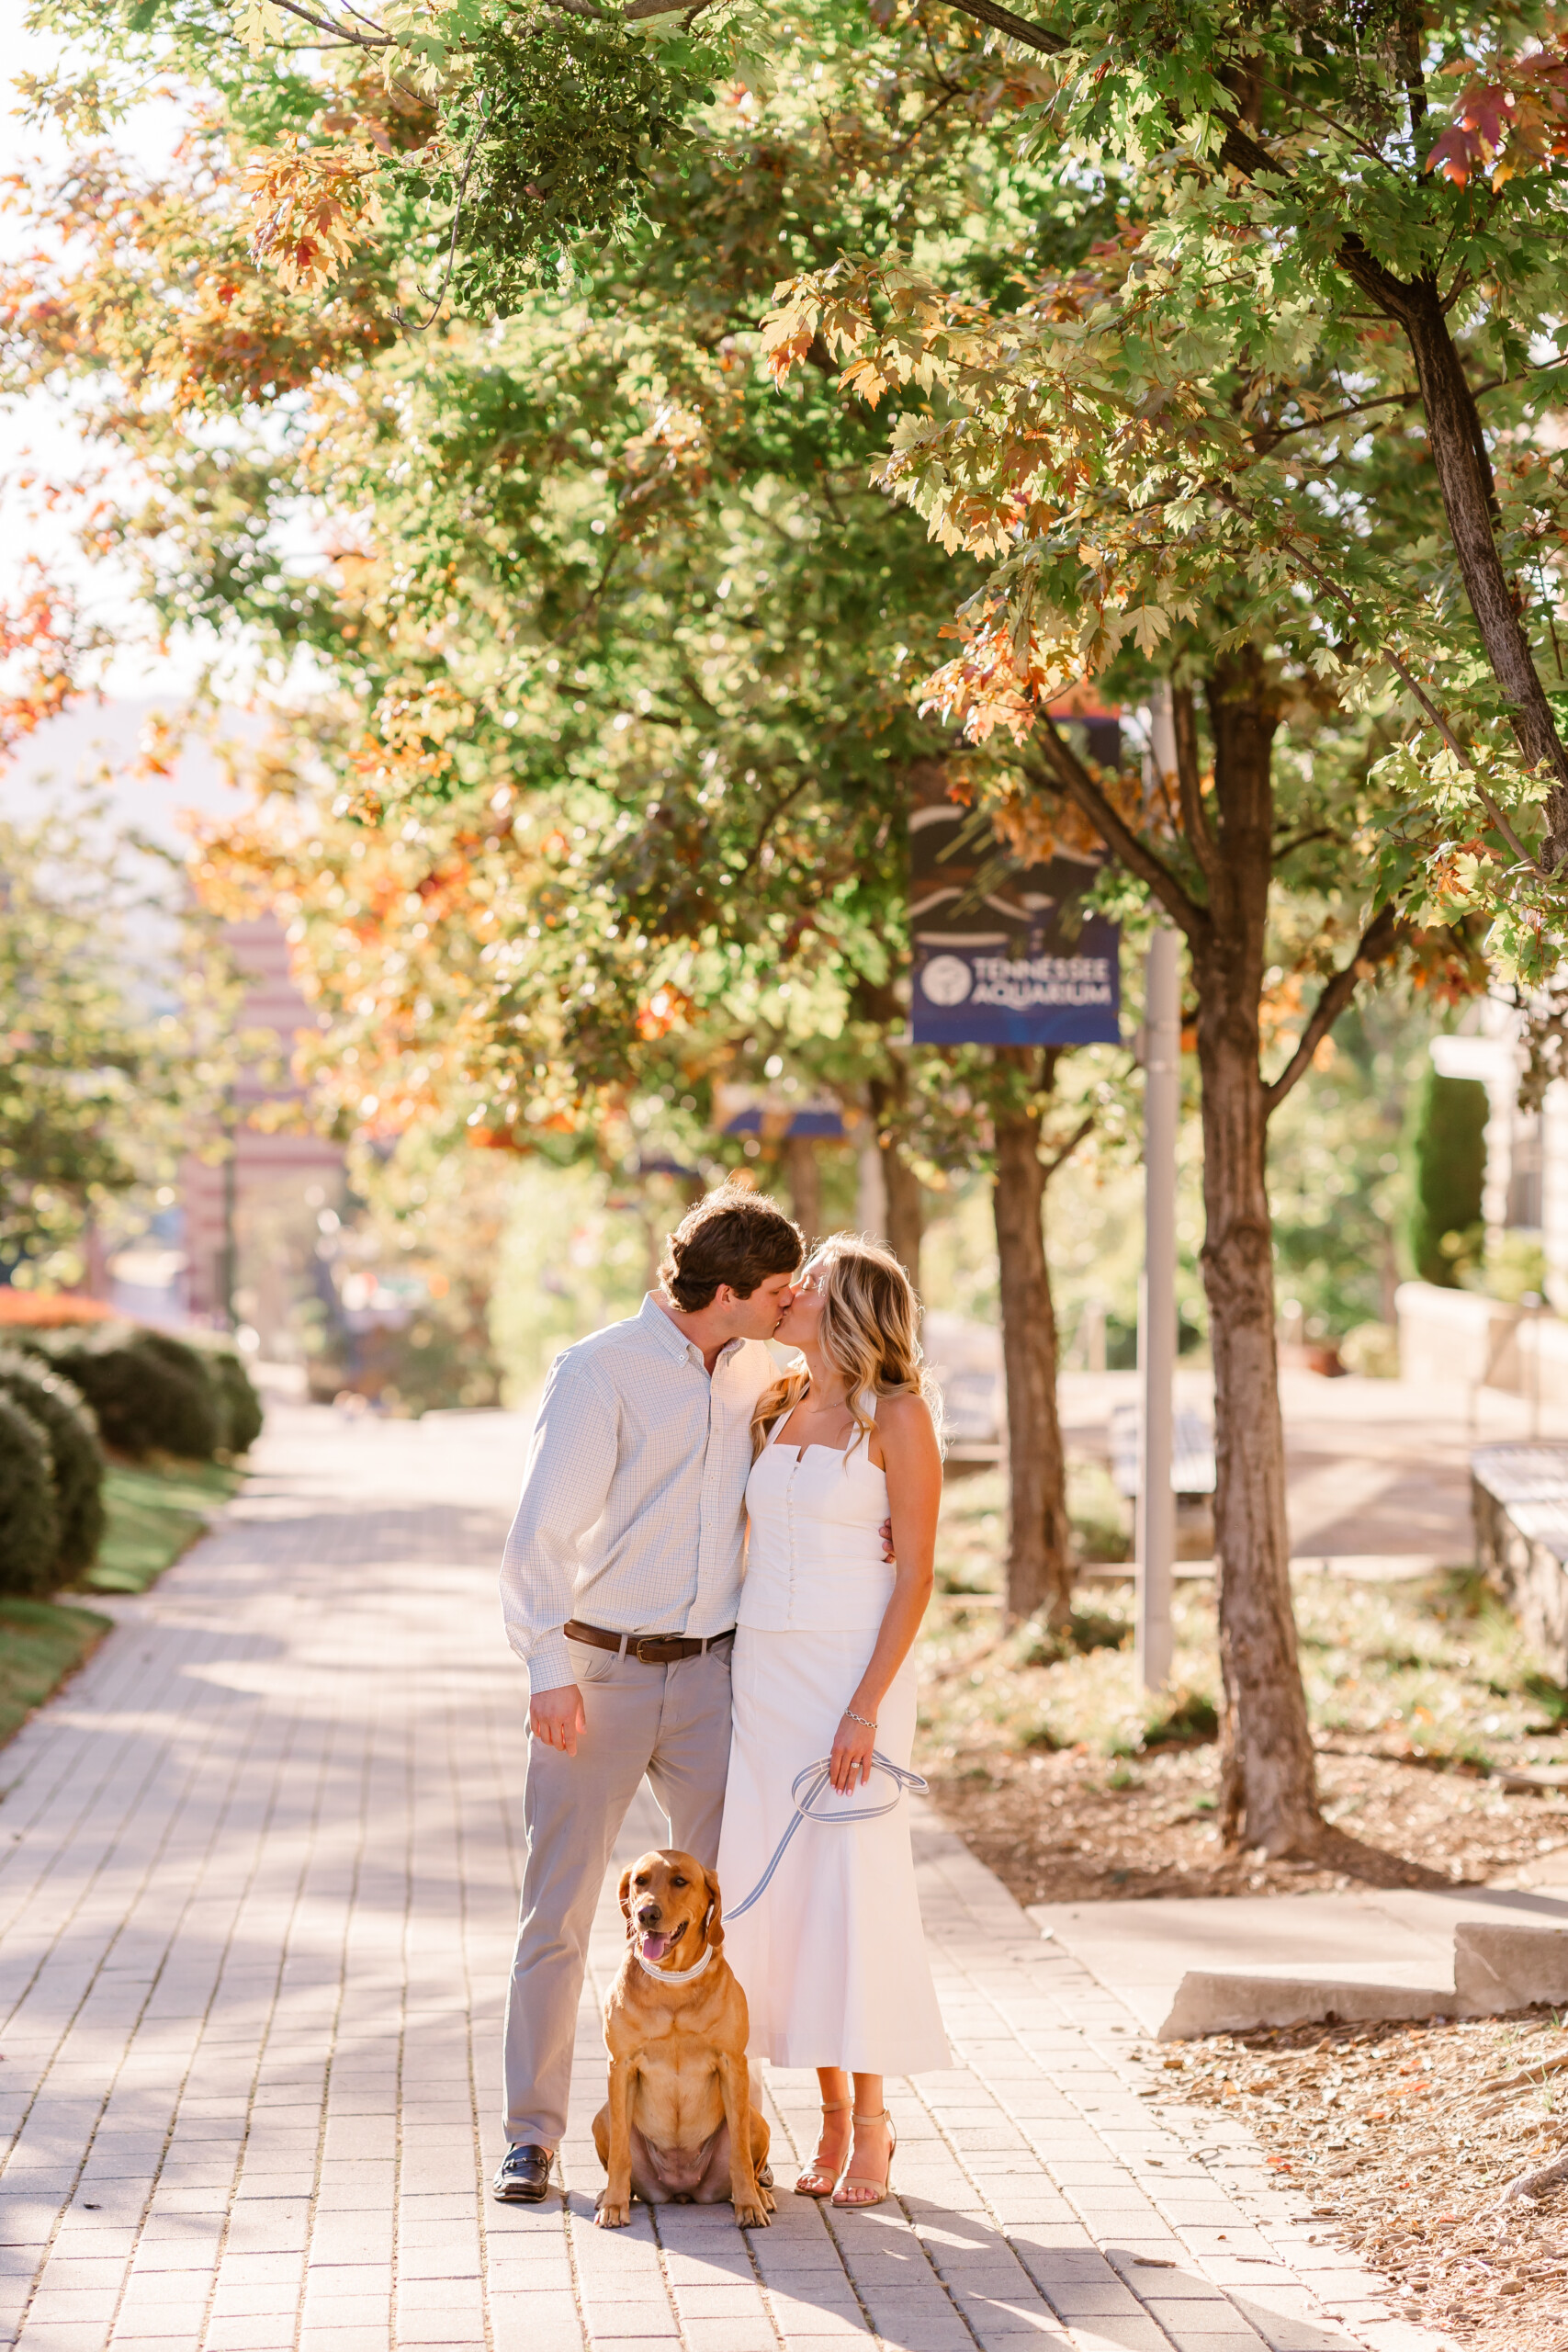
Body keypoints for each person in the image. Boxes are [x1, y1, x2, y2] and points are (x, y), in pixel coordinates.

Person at [493, 1182, 805, 2203]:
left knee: (727, 1911)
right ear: (725, 1291)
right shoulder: (600, 1372)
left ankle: (727, 2136)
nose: (788, 1302)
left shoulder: (760, 1366)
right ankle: (532, 2137)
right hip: (602, 1672)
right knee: (564, 1913)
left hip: (714, 1675)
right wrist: (546, 1669)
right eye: (776, 1289)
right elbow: (541, 1532)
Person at [716, 1234, 949, 2211]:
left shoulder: (898, 1417)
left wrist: (864, 1710)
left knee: (850, 1884)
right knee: (789, 1898)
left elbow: (918, 1572)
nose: (791, 1293)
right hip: (767, 1673)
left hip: (852, 1673)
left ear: (849, 1306)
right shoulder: (773, 1399)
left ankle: (874, 2121)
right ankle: (827, 2117)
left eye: (807, 1285)